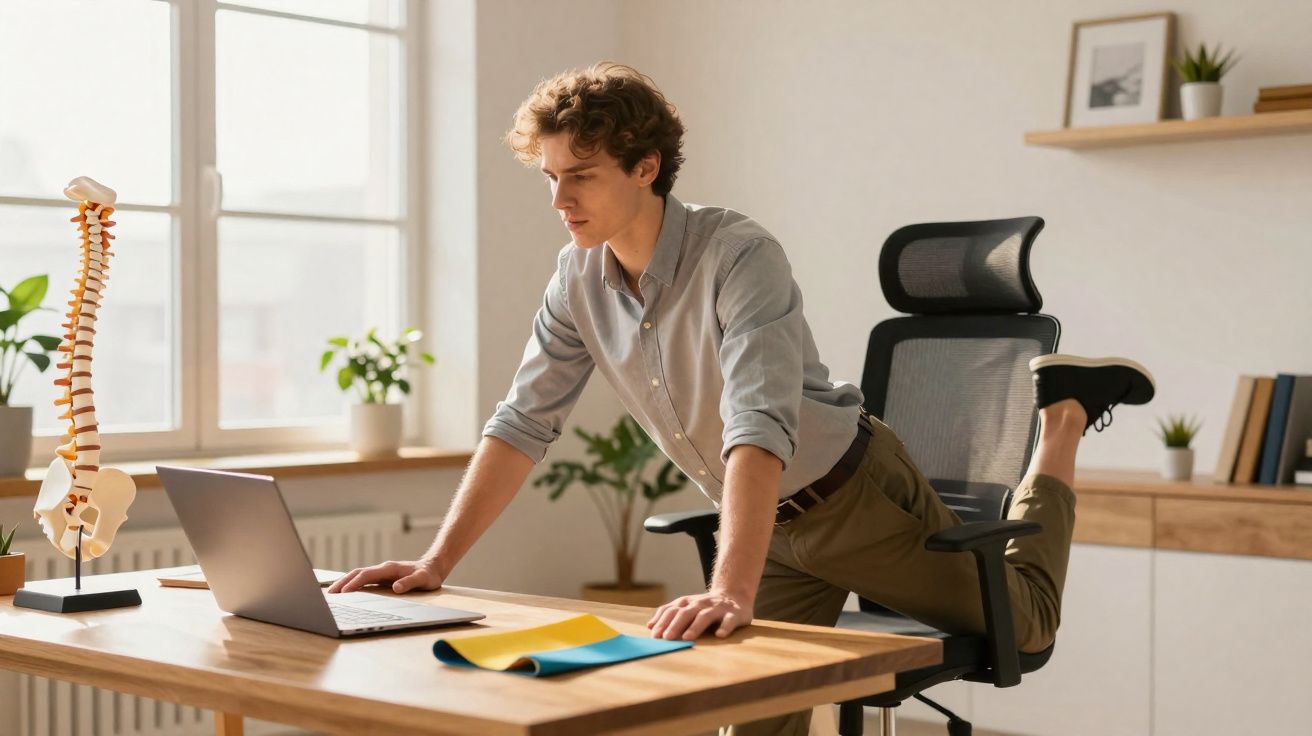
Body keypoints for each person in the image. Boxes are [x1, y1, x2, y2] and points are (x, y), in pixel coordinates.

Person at [329, 62, 1155, 735]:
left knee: (1027, 621)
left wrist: (729, 585)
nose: (559, 200)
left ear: (644, 167)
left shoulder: (737, 254)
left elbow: (757, 424)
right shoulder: (576, 279)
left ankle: (1063, 419)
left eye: (579, 175)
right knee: (749, 720)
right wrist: (436, 564)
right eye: (549, 177)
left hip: (851, 500)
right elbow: (522, 423)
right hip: (765, 527)